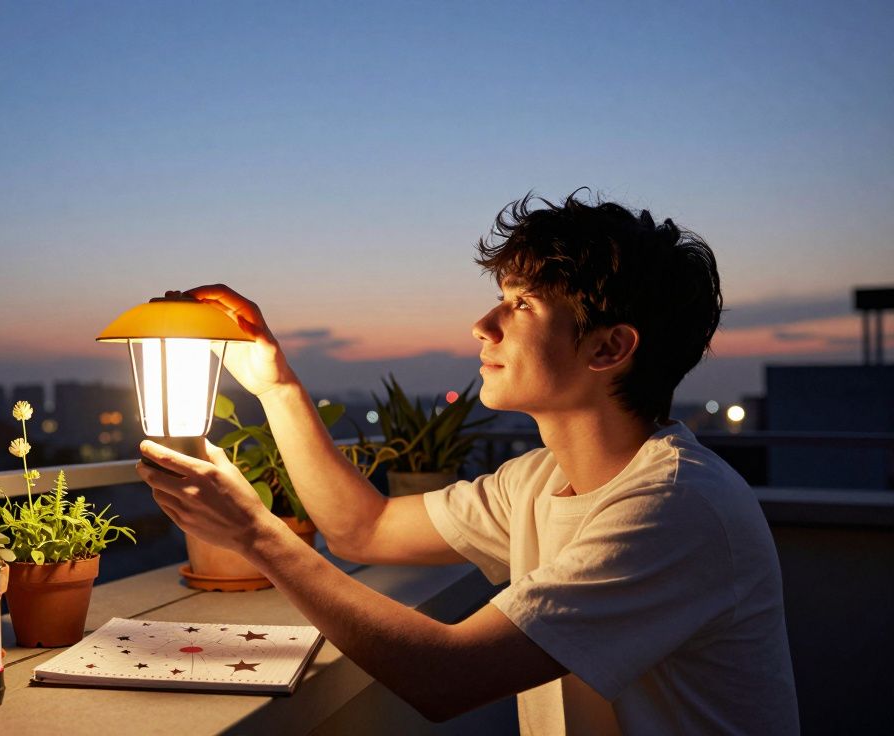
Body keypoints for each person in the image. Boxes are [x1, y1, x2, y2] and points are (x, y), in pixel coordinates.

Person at [135, 192, 799, 735]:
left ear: (608, 348)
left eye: (521, 304)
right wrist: (277, 385)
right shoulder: (539, 480)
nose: (484, 325)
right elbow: (362, 529)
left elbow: (446, 676)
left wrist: (256, 535)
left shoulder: (675, 508)